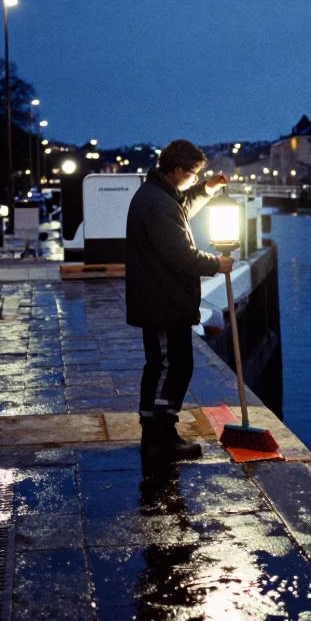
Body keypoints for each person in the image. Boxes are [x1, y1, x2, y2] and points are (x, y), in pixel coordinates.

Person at [125, 140, 233, 458]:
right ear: (176, 170)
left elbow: (182, 205)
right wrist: (217, 264)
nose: (192, 179)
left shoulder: (158, 195)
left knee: (167, 366)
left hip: (161, 298)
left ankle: (158, 430)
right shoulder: (157, 203)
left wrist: (207, 188)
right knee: (169, 366)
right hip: (162, 301)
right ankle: (159, 437)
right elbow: (179, 255)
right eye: (192, 174)